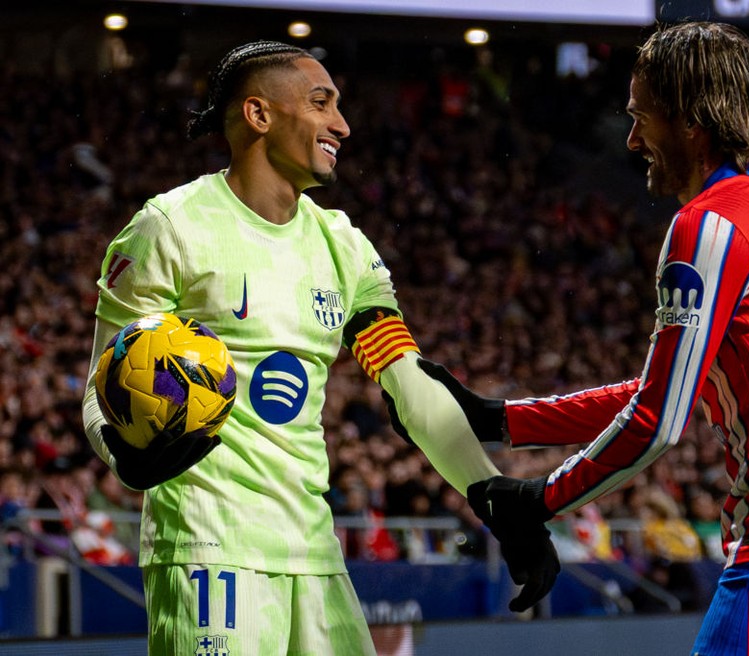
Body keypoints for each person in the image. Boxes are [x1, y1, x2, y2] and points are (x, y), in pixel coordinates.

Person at [420, 21, 749, 655]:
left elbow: (658, 419)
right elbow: (678, 388)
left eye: (640, 117)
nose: (630, 139)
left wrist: (539, 501)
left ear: (690, 121)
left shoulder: (706, 227)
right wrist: (504, 421)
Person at [81, 41, 557, 656]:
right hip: (209, 546)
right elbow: (102, 383)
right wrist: (124, 454)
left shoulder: (344, 246)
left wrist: (491, 495)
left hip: (314, 548)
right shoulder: (170, 227)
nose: (343, 124)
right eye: (321, 103)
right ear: (259, 115)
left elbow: (409, 384)